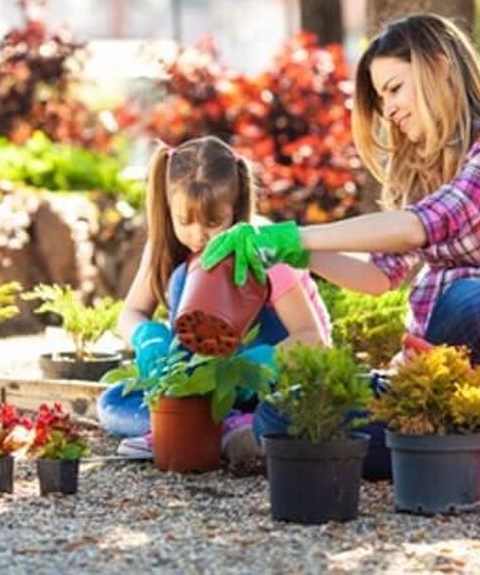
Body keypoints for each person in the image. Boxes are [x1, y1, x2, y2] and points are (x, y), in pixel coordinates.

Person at [201, 14, 480, 495]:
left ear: (438, 67)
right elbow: (379, 276)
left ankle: (466, 449)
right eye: (381, 97)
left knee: (470, 300)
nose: (389, 108)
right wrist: (286, 251)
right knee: (284, 414)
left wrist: (302, 236)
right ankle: (456, 455)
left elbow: (421, 226)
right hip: (431, 382)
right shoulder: (423, 168)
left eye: (395, 88)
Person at [100, 136, 331, 463]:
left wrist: (257, 367)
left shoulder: (262, 248)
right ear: (169, 207)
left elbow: (313, 339)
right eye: (185, 221)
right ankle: (223, 428)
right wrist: (147, 337)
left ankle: (207, 427)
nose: (197, 235)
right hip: (209, 390)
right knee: (111, 404)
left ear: (235, 210)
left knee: (189, 276)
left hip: (277, 381)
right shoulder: (166, 247)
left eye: (213, 222)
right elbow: (131, 312)